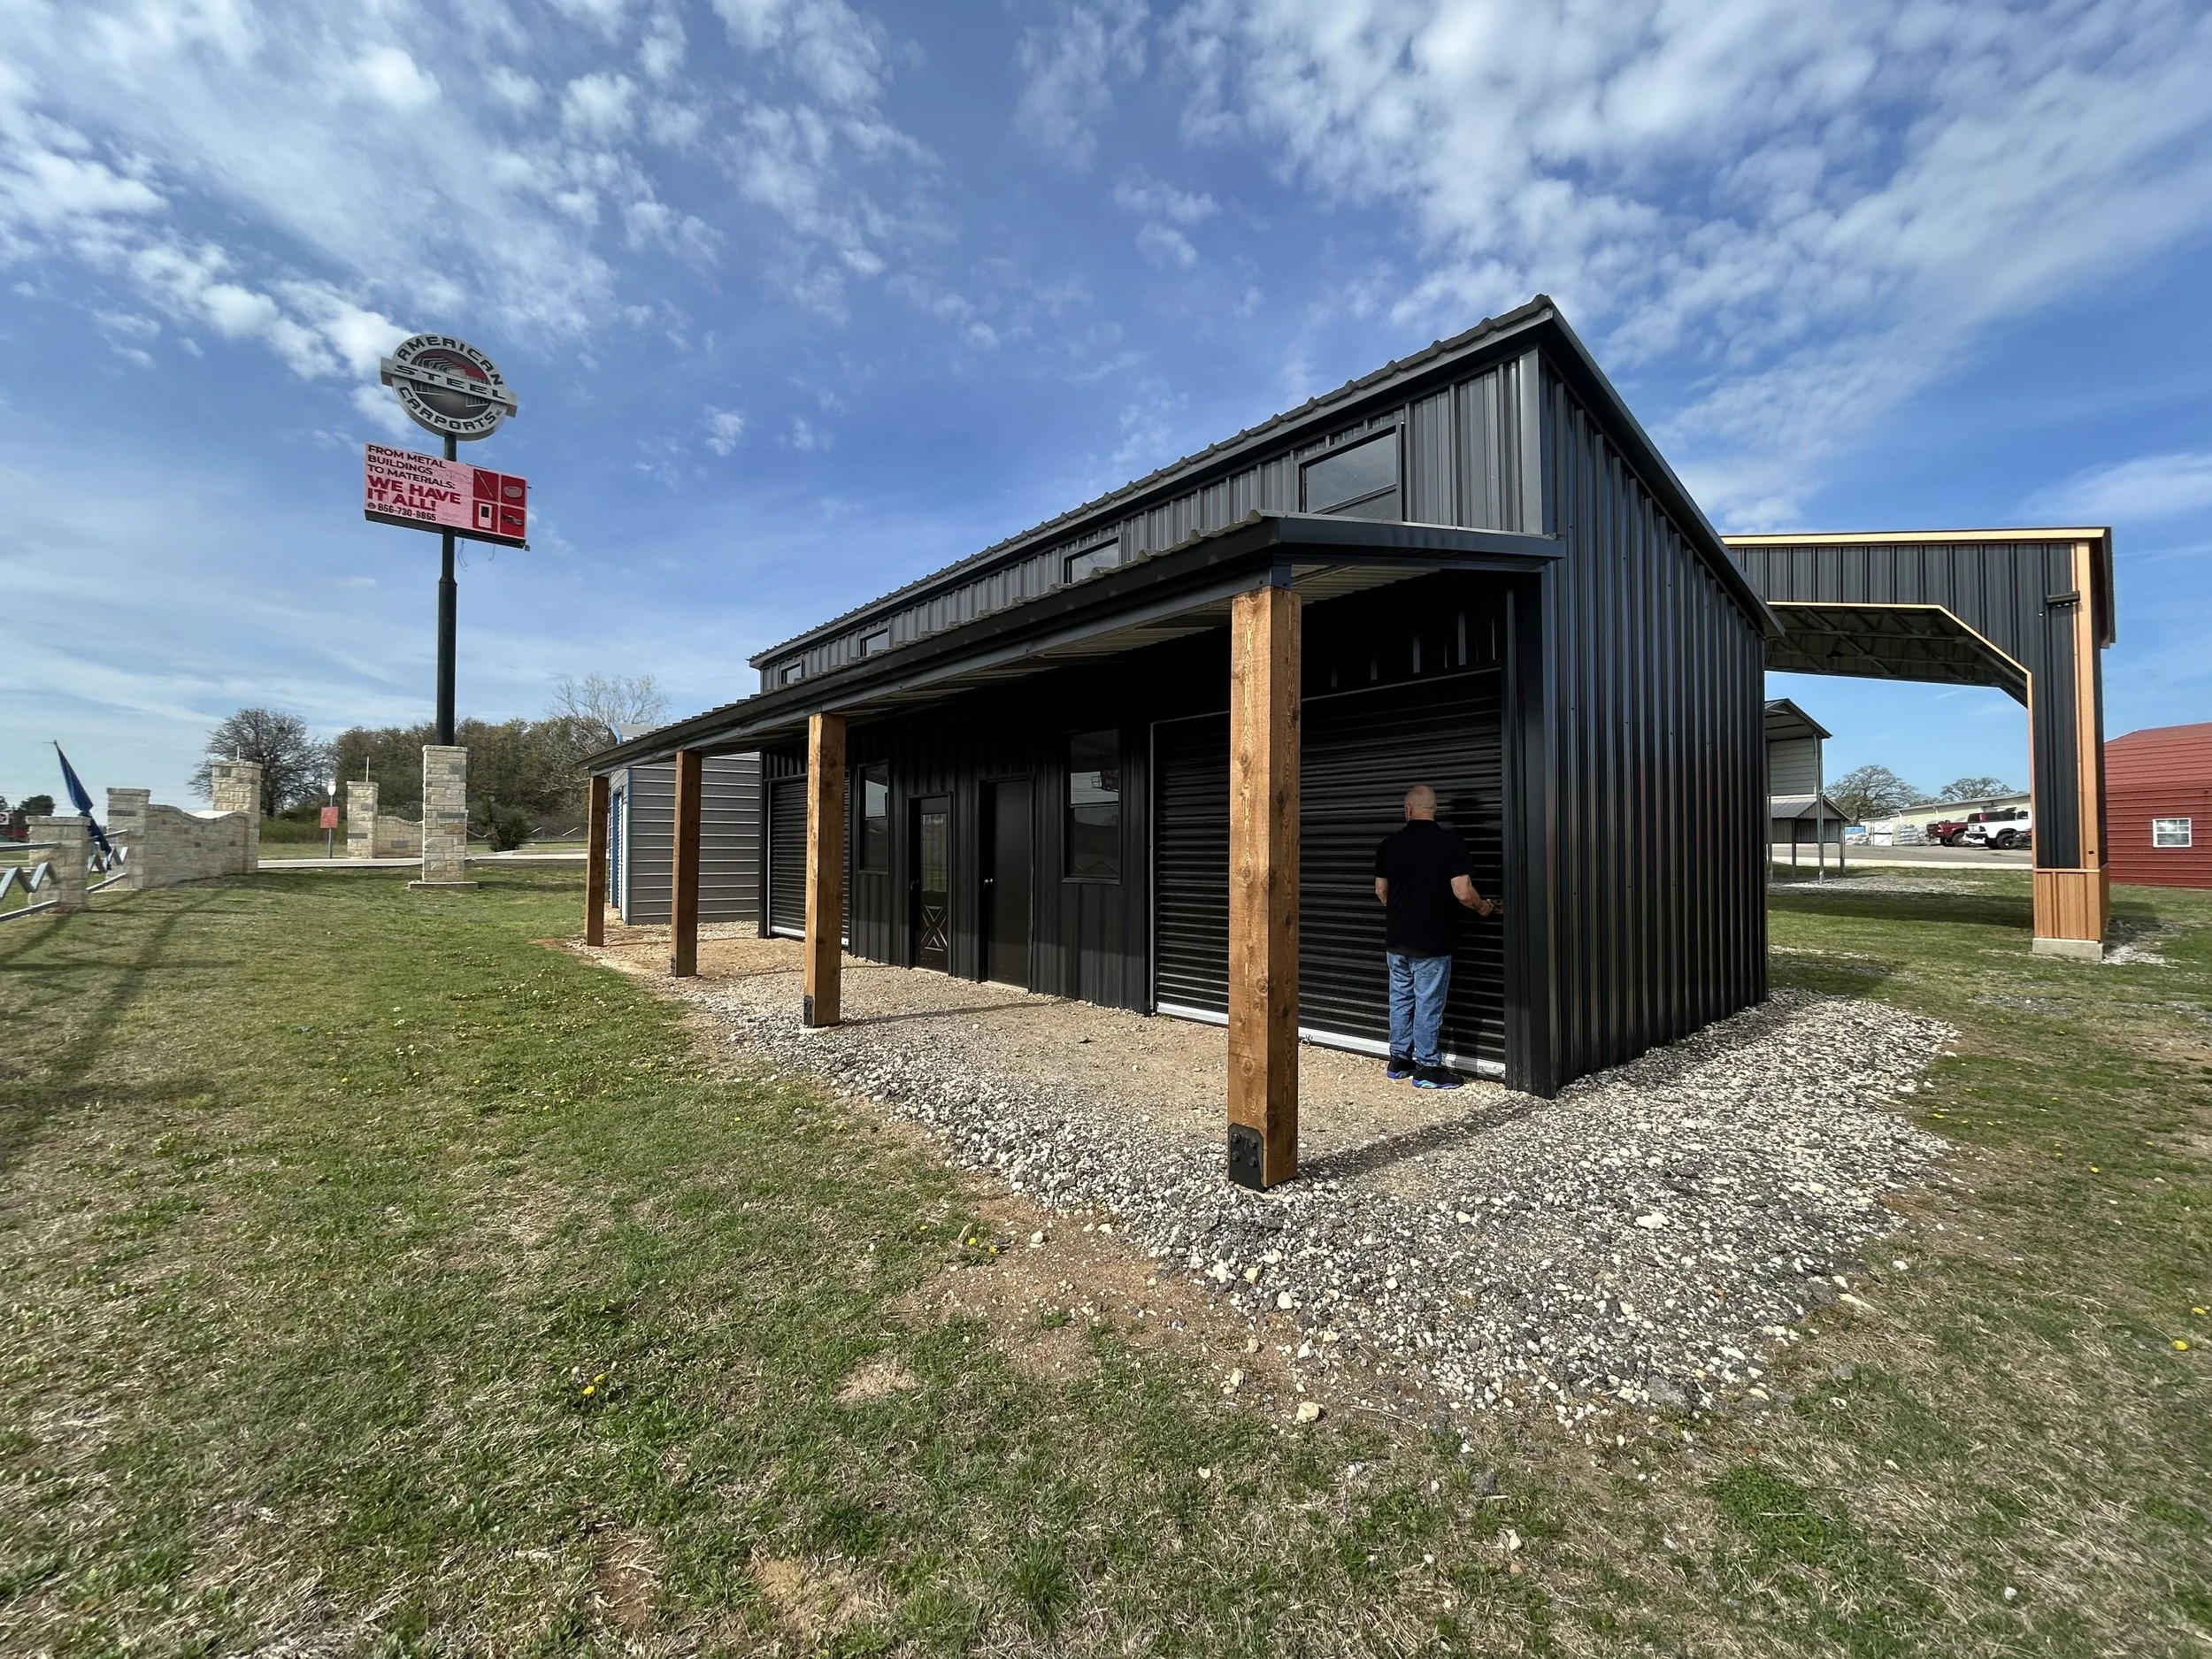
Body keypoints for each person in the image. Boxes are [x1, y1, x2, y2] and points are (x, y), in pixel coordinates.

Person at [1372, 784, 1501, 1088]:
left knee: (1400, 998)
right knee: (1428, 1002)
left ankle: (1399, 1060)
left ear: (1408, 810)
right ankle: (1428, 1068)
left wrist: (1403, 911)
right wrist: (1484, 907)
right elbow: (1463, 892)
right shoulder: (1451, 843)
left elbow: (1381, 890)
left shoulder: (1389, 844)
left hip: (1397, 939)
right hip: (1432, 941)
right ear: (1435, 810)